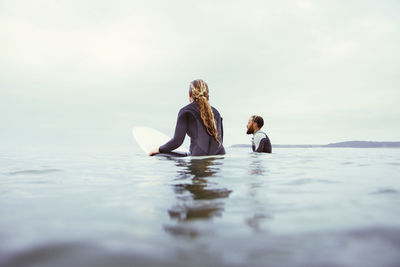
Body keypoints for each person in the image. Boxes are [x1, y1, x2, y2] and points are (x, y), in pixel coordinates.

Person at [149, 79, 226, 156]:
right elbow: (220, 140)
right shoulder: (216, 112)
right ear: (207, 95)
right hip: (220, 156)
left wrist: (158, 149)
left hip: (198, 158)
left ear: (190, 95)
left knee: (159, 154)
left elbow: (177, 141)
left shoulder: (186, 111)